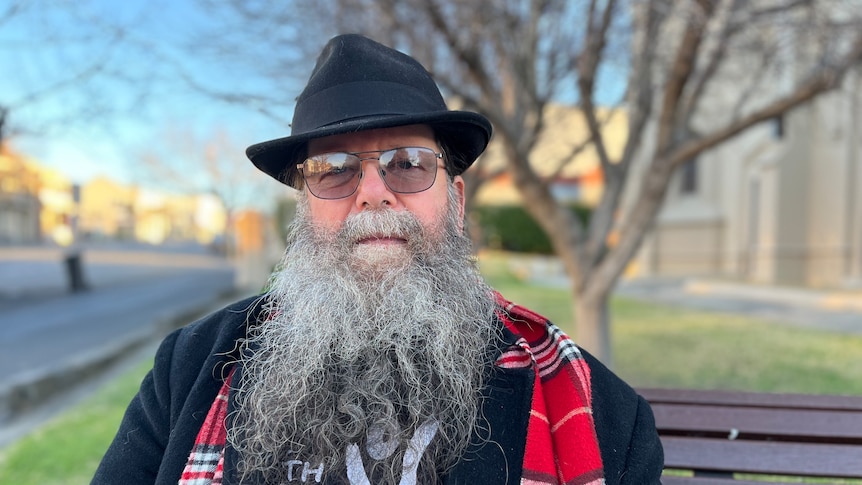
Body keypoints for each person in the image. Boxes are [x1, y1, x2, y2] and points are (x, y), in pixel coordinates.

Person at [92, 34, 663, 485]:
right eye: (333, 169)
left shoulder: (599, 410)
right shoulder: (189, 368)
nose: (372, 192)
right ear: (303, 210)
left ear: (456, 202)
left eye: (409, 163)